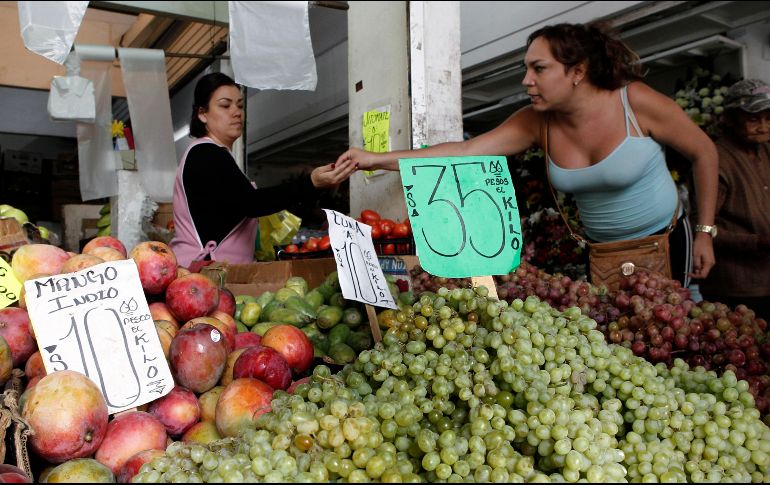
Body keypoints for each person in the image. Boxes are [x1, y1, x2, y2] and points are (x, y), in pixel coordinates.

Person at [336, 22, 719, 286]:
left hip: (667, 241)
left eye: (539, 68)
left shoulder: (634, 102)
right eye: (526, 68)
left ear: (577, 71)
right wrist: (375, 159)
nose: (526, 80)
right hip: (601, 252)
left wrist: (705, 233)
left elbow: (705, 152)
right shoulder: (538, 122)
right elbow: (466, 150)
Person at [170, 72, 356, 268]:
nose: (236, 112)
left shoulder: (210, 154)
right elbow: (252, 203)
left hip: (216, 270)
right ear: (202, 114)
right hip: (206, 273)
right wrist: (310, 182)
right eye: (225, 105)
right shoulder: (206, 153)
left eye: (240, 105)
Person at [695, 79, 770, 319]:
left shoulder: (765, 150)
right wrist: (758, 242)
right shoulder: (716, 161)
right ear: (730, 119)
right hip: (737, 287)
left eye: (768, 119)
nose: (763, 127)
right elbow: (705, 229)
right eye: (753, 119)